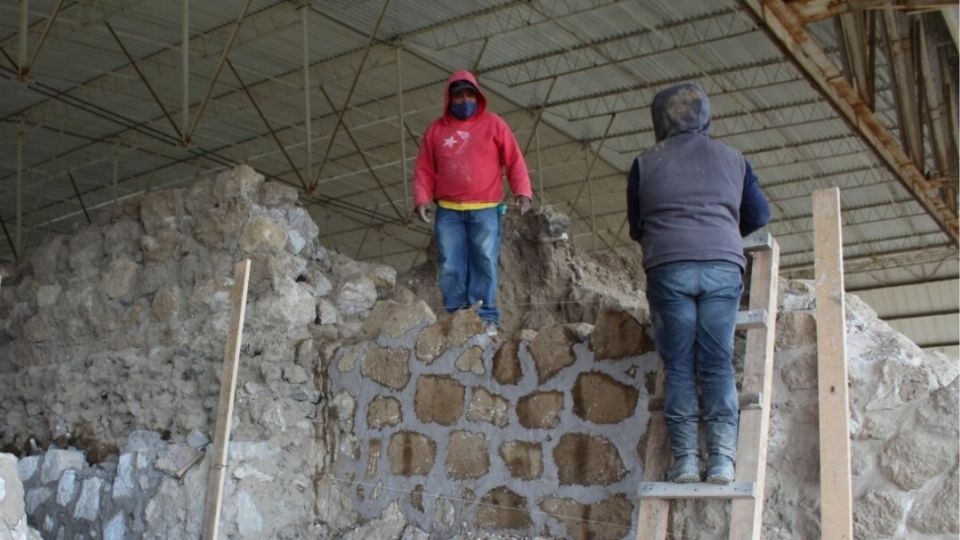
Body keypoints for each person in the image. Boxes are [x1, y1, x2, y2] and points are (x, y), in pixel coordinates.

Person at [626, 81, 770, 484]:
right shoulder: (734, 159)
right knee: (717, 363)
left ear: (660, 118)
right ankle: (723, 460)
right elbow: (759, 215)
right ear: (704, 114)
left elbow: (637, 227)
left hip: (669, 267)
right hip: (723, 267)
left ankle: (686, 460)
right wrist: (721, 227)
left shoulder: (644, 162)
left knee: (680, 367)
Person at [413, 70, 533, 335]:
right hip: (449, 210)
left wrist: (522, 190)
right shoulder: (436, 130)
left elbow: (514, 160)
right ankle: (457, 316)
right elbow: (424, 168)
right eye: (458, 96)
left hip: (485, 209)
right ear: (449, 99)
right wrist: (422, 198)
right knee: (450, 262)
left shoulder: (494, 125)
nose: (464, 100)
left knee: (484, 260)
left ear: (478, 96)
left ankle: (485, 317)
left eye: (469, 95)